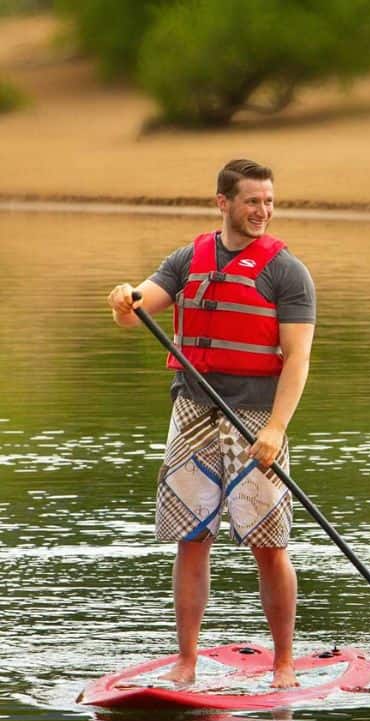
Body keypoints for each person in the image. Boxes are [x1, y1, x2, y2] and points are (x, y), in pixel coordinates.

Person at [106, 158, 316, 688]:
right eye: (252, 201)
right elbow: (135, 310)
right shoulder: (187, 259)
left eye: (269, 201)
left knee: (269, 545)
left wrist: (275, 429)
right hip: (192, 411)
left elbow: (298, 359)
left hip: (256, 419)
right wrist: (123, 300)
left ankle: (284, 663)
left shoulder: (287, 272)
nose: (263, 211)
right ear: (223, 202)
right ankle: (186, 661)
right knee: (191, 537)